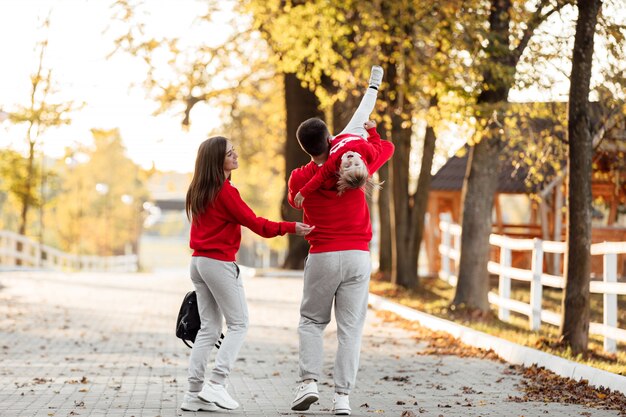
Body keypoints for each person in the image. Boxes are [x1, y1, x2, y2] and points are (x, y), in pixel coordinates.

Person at [288, 65, 394, 416]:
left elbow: (295, 199)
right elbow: (374, 131)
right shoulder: (356, 164)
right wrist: (373, 90)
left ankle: (308, 383)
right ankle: (343, 399)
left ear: (305, 148)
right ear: (331, 138)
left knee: (311, 322)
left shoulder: (300, 176)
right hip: (358, 257)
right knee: (350, 330)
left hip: (322, 256)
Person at [181, 136, 314, 412]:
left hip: (199, 263)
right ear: (218, 161)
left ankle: (193, 394)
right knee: (239, 323)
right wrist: (292, 227)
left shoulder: (199, 189)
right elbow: (257, 224)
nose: (236, 155)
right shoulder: (225, 193)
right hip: (218, 263)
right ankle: (216, 383)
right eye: (230, 153)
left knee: (209, 329)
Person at [293, 66, 384, 207]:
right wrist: (372, 131)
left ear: (340, 169)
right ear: (364, 164)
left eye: (347, 166)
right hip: (356, 134)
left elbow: (318, 178)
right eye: (356, 163)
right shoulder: (370, 153)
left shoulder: (332, 162)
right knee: (363, 111)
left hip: (335, 141)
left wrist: (303, 192)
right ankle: (374, 84)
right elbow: (377, 144)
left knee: (317, 137)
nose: (351, 159)